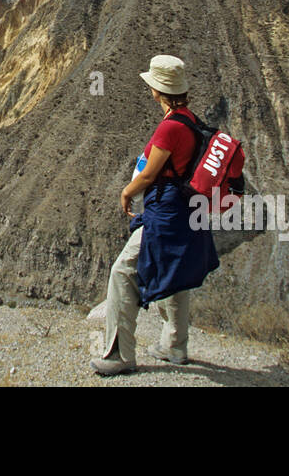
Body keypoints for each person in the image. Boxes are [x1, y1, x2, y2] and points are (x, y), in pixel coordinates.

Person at [91, 54, 220, 376]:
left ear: (157, 91)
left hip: (167, 212)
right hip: (189, 210)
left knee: (123, 272)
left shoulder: (169, 128)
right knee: (174, 270)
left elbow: (149, 175)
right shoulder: (191, 119)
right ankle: (175, 346)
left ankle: (119, 355)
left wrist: (126, 192)